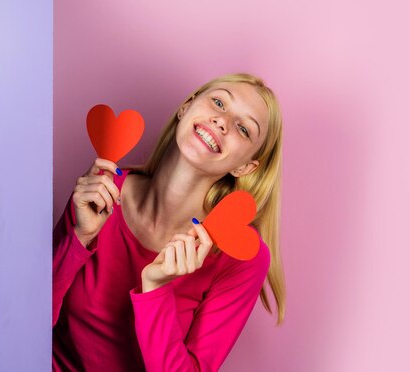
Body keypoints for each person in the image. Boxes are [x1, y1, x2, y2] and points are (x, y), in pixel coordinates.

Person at [52, 73, 285, 371]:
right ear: (186, 107)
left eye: (243, 128)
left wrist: (155, 289)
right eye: (218, 102)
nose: (222, 121)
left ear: (245, 166)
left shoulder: (242, 257)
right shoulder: (101, 191)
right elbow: (25, 320)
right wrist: (79, 238)